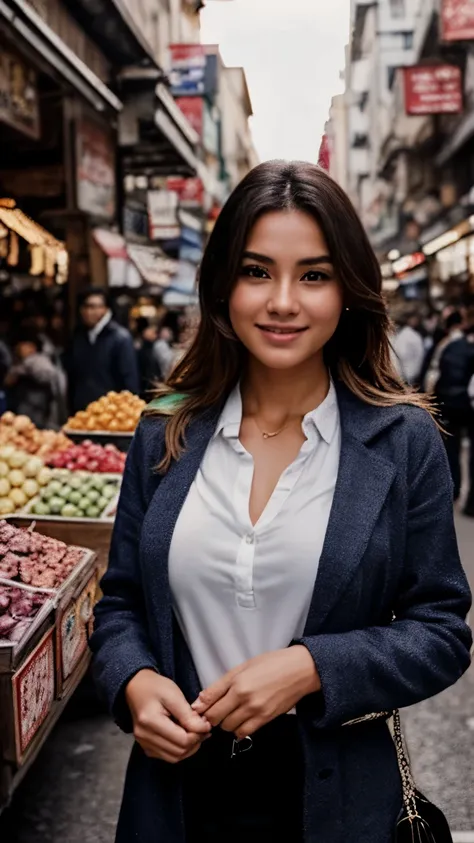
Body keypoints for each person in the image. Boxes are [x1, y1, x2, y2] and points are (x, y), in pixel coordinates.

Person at [91, 161, 471, 843]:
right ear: (222, 285)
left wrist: (311, 667)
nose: (284, 301)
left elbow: (441, 629)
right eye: (257, 271)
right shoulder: (165, 431)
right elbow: (119, 602)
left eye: (315, 275)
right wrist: (135, 682)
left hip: (336, 797)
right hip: (176, 794)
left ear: (349, 289)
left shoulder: (403, 440)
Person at [426, 310, 474, 514]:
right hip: (465, 404)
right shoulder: (468, 348)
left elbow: (434, 373)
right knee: (468, 451)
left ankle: (454, 488)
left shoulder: (445, 346)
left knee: (451, 448)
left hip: (448, 402)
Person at [65, 289, 139, 412]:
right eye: (87, 306)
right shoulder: (78, 337)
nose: (90, 311)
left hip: (111, 415)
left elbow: (129, 380)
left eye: (95, 307)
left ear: (105, 309)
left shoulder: (120, 338)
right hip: (82, 414)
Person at [5, 332, 65, 428]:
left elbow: (49, 376)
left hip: (37, 409)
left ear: (33, 347)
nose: (20, 348)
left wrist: (26, 370)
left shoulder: (37, 360)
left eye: (24, 345)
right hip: (27, 408)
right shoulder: (21, 362)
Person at [391, 310, 425, 386]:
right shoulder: (403, 335)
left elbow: (419, 356)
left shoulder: (413, 335)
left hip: (408, 376)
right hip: (403, 375)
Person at [135, 318, 162, 398]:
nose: (155, 335)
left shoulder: (148, 348)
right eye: (152, 331)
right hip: (146, 388)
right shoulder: (142, 350)